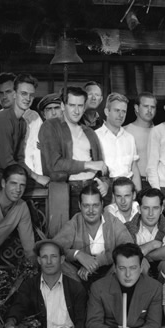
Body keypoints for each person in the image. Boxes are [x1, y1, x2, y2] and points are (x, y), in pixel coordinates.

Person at [38, 86, 107, 230]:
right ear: (63, 106)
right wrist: (88, 164)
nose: (76, 111)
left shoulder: (89, 132)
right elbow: (54, 164)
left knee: (94, 237)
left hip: (92, 189)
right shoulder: (50, 126)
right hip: (67, 190)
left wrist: (105, 183)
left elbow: (101, 165)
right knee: (68, 237)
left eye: (80, 106)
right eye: (72, 105)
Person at [4, 239, 87, 328]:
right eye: (44, 257)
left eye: (53, 256)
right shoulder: (29, 285)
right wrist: (10, 324)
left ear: (62, 259)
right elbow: (18, 308)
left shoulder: (75, 288)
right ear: (39, 260)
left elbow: (82, 321)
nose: (49, 261)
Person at [0, 73, 48, 190]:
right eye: (24, 94)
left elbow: (19, 158)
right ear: (15, 94)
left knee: (38, 186)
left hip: (8, 170)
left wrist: (37, 176)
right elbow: (7, 161)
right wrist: (36, 177)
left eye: (31, 95)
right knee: (32, 187)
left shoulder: (22, 123)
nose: (28, 98)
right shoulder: (2, 120)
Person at [53, 183, 133, 284]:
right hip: (78, 276)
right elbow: (53, 249)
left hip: (108, 275)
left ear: (102, 204)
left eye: (95, 205)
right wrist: (77, 254)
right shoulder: (74, 223)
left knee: (128, 261)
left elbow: (129, 248)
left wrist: (98, 261)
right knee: (56, 262)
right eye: (86, 206)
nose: (91, 211)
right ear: (79, 205)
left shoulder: (112, 222)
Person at [124, 188, 165, 278]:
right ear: (139, 209)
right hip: (135, 272)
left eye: (155, 208)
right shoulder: (127, 227)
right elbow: (127, 256)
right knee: (142, 264)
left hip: (161, 271)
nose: (150, 213)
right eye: (146, 208)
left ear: (162, 209)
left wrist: (143, 255)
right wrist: (152, 245)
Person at [95, 92, 142, 192]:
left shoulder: (129, 138)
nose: (121, 115)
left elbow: (134, 168)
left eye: (123, 111)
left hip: (127, 187)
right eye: (117, 110)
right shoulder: (95, 136)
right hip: (104, 188)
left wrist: (139, 195)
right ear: (107, 111)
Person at [124, 92, 157, 189]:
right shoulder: (126, 131)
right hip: (135, 182)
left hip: (158, 181)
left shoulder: (160, 131)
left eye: (153, 107)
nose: (150, 110)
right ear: (137, 108)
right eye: (146, 106)